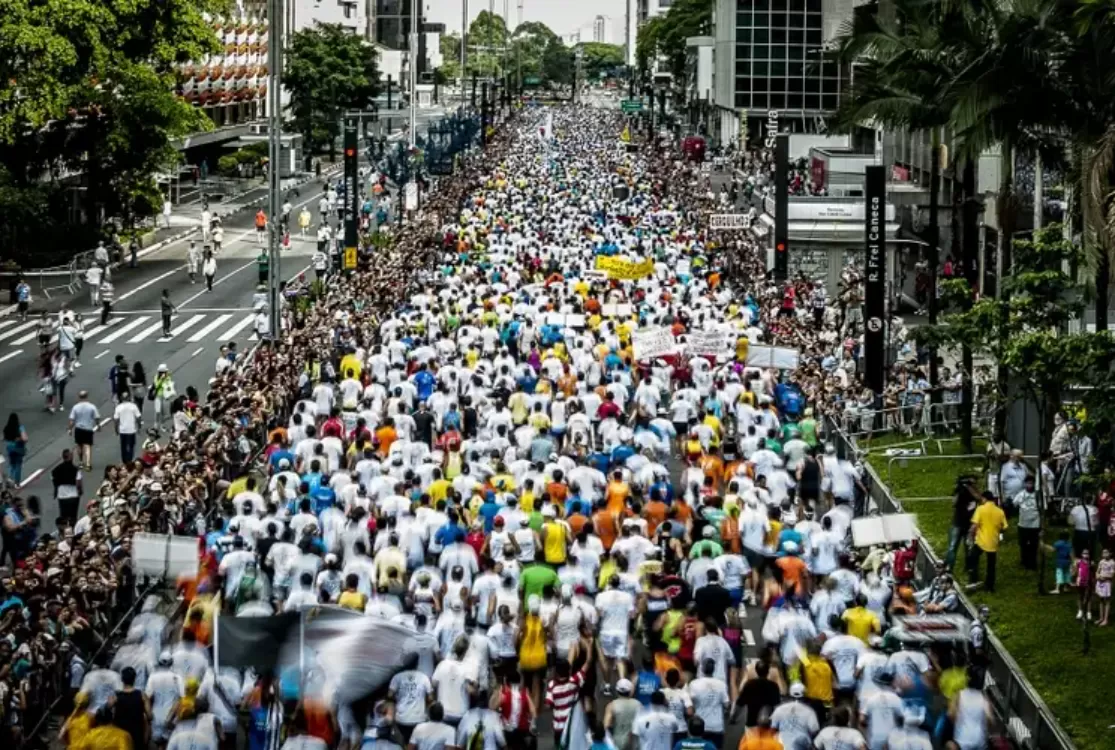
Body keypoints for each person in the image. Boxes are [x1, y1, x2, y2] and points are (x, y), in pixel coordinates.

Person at [966, 492, 1007, 593]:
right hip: (993, 542)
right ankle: (990, 587)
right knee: (991, 565)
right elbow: (1004, 527)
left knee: (972, 558)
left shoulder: (981, 509)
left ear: (984, 498)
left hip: (981, 541)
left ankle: (974, 579)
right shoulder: (1000, 511)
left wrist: (970, 536)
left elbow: (974, 525)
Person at [68, 390, 100, 470]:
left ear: (79, 397)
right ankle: (88, 464)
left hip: (78, 428)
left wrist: (70, 429)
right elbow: (96, 417)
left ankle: (81, 462)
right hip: (88, 428)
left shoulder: (75, 407)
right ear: (87, 396)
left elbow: (72, 420)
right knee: (88, 446)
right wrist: (98, 425)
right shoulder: (92, 406)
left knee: (79, 445)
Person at [114, 394, 143, 464]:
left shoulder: (118, 407)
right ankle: (129, 460)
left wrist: (116, 429)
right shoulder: (133, 406)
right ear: (129, 398)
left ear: (121, 398)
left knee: (123, 446)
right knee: (131, 446)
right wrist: (139, 426)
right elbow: (138, 417)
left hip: (123, 430)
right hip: (131, 430)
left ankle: (124, 460)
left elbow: (116, 419)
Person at [4, 413, 29, 485]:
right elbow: (25, 438)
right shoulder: (20, 427)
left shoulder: (7, 428)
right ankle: (17, 483)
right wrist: (21, 439)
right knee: (18, 465)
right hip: (18, 448)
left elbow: (5, 438)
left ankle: (10, 479)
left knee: (12, 464)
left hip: (10, 448)